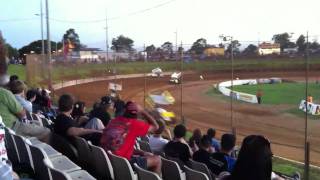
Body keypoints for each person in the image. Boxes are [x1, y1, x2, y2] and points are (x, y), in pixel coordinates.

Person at [100, 101, 161, 175]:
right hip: (121, 165)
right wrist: (143, 111)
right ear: (137, 113)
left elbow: (120, 147)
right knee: (157, 160)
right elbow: (156, 127)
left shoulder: (113, 121)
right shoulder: (135, 124)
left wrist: (143, 153)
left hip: (106, 161)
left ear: (124, 110)